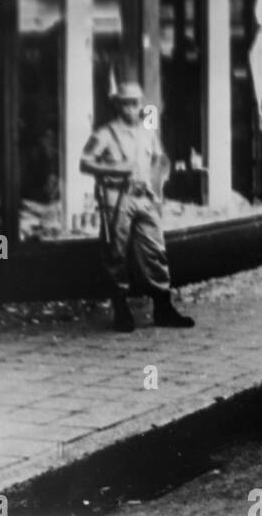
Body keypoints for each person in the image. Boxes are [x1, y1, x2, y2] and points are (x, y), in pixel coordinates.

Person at [80, 81, 194, 333]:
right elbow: (85, 162)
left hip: (144, 197)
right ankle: (121, 309)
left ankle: (163, 306)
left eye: (135, 103)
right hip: (117, 197)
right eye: (126, 103)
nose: (132, 108)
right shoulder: (105, 133)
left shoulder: (147, 131)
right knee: (115, 252)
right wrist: (113, 169)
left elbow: (159, 158)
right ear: (117, 105)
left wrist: (156, 185)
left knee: (155, 249)